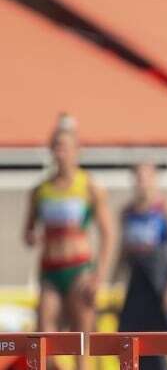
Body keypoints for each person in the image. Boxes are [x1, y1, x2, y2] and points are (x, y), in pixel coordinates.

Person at [22, 114, 116, 370]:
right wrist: (32, 237)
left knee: (81, 340)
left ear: (76, 151)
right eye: (56, 147)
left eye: (65, 147)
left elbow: (108, 233)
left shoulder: (88, 186)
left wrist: (99, 275)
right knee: (44, 337)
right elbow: (28, 231)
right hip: (50, 270)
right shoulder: (40, 190)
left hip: (79, 269)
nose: (60, 153)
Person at [115, 163, 167, 370]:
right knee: (128, 340)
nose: (142, 183)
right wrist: (113, 283)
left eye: (146, 178)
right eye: (138, 178)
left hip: (159, 284)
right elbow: (122, 252)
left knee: (159, 346)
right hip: (136, 287)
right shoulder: (127, 212)